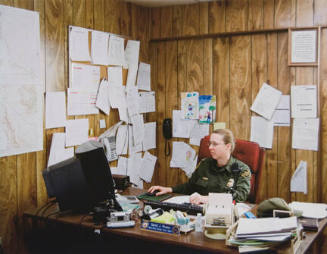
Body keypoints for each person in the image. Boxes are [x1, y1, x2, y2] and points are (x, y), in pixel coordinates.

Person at [148, 129, 251, 205]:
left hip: (223, 214)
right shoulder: (205, 164)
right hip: (198, 211)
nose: (210, 148)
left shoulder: (242, 169)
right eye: (209, 144)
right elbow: (190, 186)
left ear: (227, 146)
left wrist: (205, 199)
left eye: (215, 144)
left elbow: (240, 196)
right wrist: (169, 189)